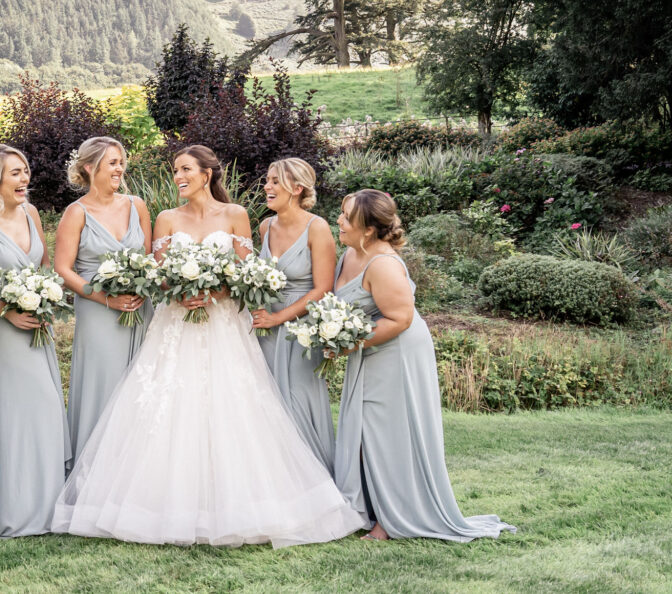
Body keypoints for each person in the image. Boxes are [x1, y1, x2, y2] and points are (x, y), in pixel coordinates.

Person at [52, 145, 365, 548]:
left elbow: (245, 273)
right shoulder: (165, 219)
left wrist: (215, 290)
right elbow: (159, 275)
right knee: (166, 407)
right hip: (175, 325)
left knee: (232, 407)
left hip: (224, 325)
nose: (178, 176)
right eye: (175, 170)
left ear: (206, 174)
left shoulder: (235, 216)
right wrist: (180, 292)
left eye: (185, 170)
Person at [332, 189, 516, 541]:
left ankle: (390, 521)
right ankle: (367, 508)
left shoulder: (382, 263)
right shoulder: (351, 253)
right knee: (363, 430)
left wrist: (345, 342)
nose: (339, 220)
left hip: (396, 352)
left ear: (368, 229)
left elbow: (399, 318)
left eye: (345, 215)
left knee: (389, 434)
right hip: (370, 348)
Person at [0, 144, 70, 538]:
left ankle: (47, 503)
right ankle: (16, 507)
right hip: (6, 329)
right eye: (15, 173)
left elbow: (43, 264)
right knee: (20, 411)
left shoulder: (32, 213)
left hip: (39, 324)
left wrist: (45, 298)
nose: (24, 179)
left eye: (26, 171)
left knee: (45, 409)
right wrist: (8, 310)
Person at [54, 136, 153, 463]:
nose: (120, 168)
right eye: (112, 162)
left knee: (141, 387)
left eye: (121, 162)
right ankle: (93, 470)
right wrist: (105, 299)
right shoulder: (76, 212)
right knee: (104, 387)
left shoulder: (137, 206)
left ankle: (138, 470)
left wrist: (140, 285)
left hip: (140, 311)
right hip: (98, 312)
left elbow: (149, 259)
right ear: (89, 167)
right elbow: (63, 269)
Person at [253, 158, 338, 475]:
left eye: (275, 181)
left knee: (298, 401)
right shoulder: (265, 227)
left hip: (301, 330)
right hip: (265, 329)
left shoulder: (317, 228)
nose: (267, 186)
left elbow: (323, 287)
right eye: (268, 180)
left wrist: (279, 319)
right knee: (268, 402)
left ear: (297, 188)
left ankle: (316, 479)